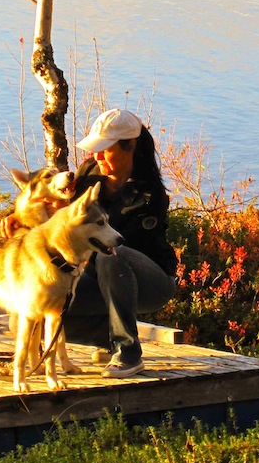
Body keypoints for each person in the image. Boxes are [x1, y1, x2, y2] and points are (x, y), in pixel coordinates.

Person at [57, 108, 178, 377]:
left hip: (152, 282)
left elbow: (113, 245)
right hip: (97, 275)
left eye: (105, 149)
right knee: (35, 317)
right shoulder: (90, 171)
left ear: (130, 147)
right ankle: (109, 340)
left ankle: (128, 353)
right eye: (95, 149)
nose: (96, 157)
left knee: (111, 254)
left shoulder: (150, 195)